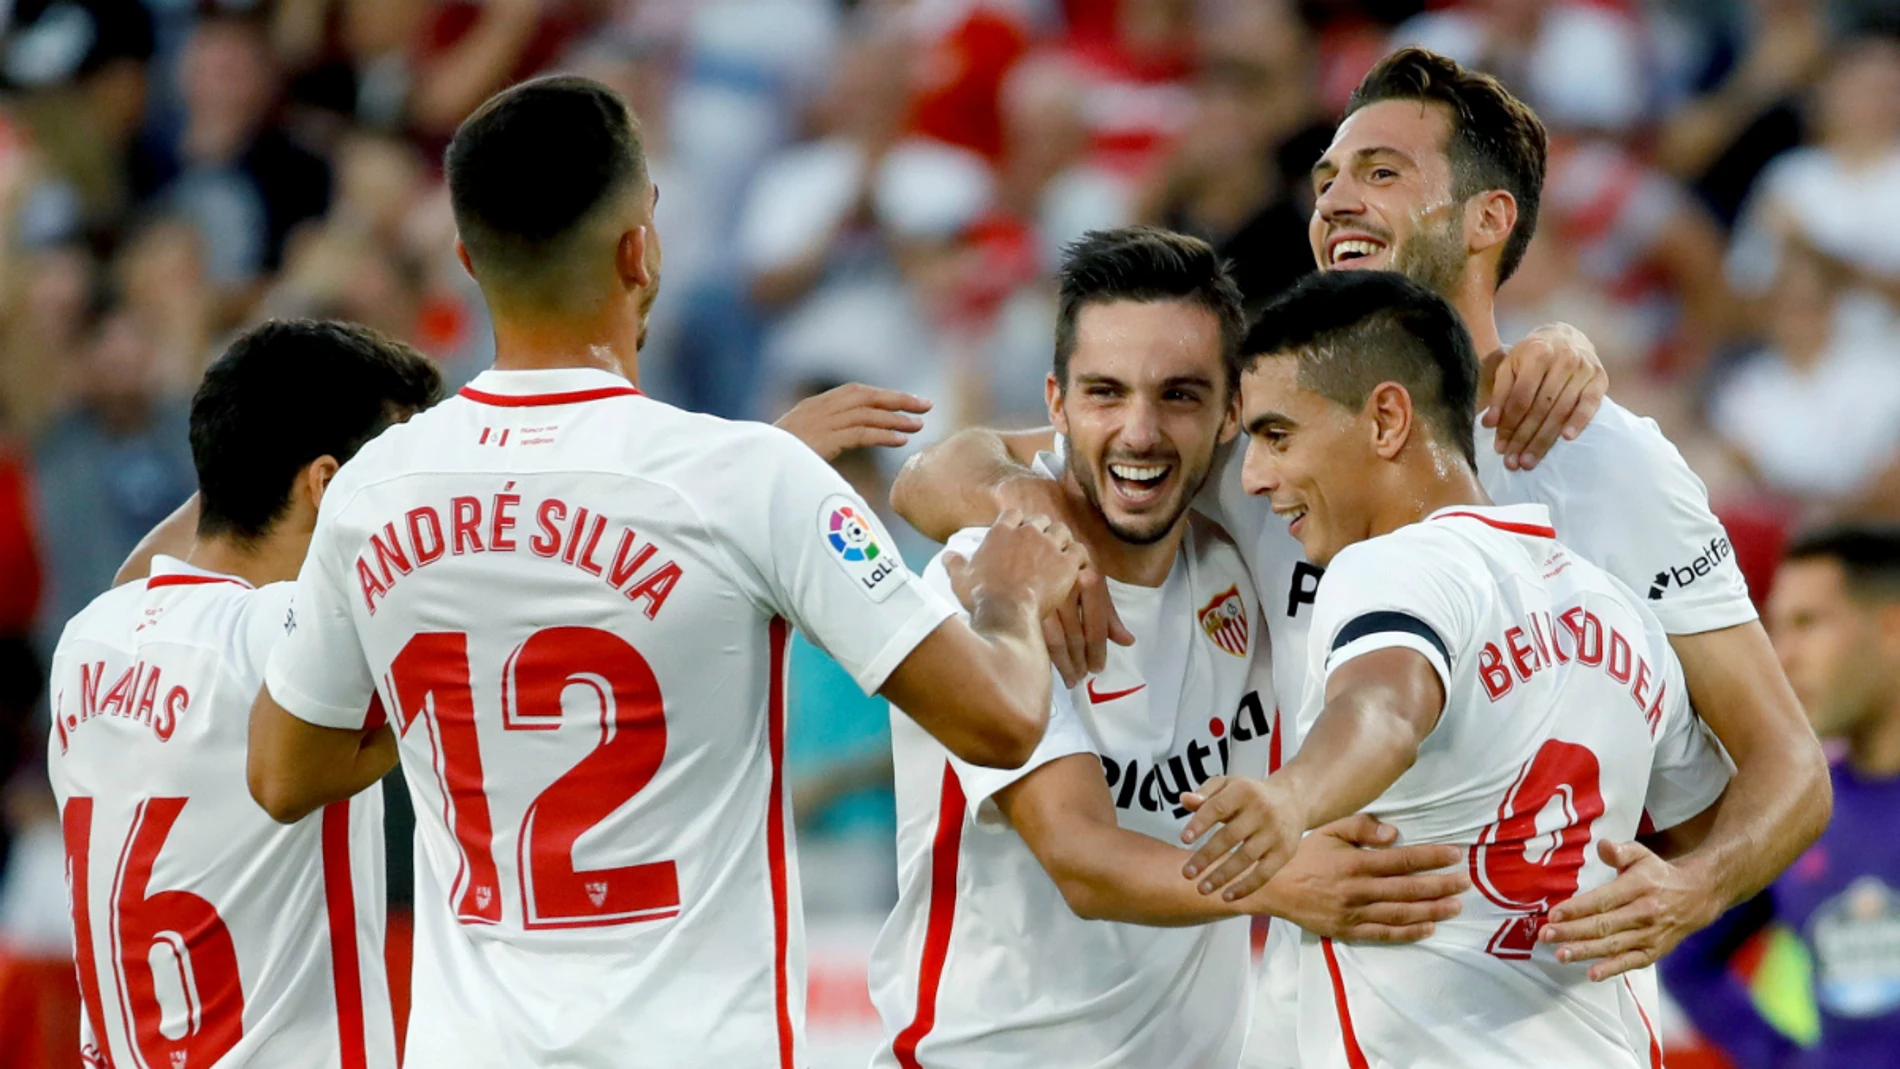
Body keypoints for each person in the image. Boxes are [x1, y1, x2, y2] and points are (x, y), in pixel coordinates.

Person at [890, 57, 1829, 1058]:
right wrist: (1034, 513)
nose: (1335, 199)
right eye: (1327, 177)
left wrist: (1695, 888)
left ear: (1488, 218)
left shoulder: (1605, 462)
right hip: (1328, 1020)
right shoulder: (1269, 434)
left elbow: (1784, 766)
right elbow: (934, 476)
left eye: (1380, 172)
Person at [243, 76, 1086, 1067]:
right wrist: (1009, 588)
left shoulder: (372, 490)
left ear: (468, 260)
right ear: (639, 248)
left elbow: (284, 775)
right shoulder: (744, 483)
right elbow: (999, 718)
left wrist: (457, 690)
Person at [868, 228, 1469, 1069]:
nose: (1140, 432)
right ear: (1056, 404)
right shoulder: (988, 580)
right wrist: (1284, 882)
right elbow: (1080, 857)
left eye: (1180, 395)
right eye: (1105, 394)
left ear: (1231, 415)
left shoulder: (1245, 549)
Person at [1185, 267, 1733, 1067]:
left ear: (1386, 420)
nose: (1253, 475)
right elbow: (1708, 824)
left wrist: (1291, 794)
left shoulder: (1390, 567)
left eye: (1276, 435)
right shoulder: (1617, 611)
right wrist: (1690, 889)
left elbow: (1386, 707)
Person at [46, 319, 443, 1068]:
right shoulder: (298, 635)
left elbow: (147, 569)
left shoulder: (89, 637)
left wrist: (243, 439)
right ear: (326, 485)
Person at [1665, 527, 1900, 1068]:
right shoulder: (1803, 812)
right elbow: (1687, 960)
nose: (1783, 657)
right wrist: (1787, 1060)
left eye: (1807, 624)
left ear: (1891, 627)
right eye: (1776, 628)